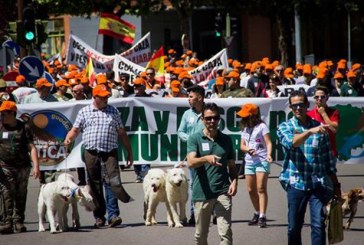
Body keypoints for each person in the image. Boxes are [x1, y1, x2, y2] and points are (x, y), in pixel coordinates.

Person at [64, 84, 134, 228]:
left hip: (110, 152)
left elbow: (121, 132)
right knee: (94, 184)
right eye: (102, 97)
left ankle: (113, 215)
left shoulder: (113, 111)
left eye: (107, 96)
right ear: (95, 97)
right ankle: (99, 216)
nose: (106, 99)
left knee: (113, 182)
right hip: (91, 152)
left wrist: (129, 151)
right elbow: (75, 129)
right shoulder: (84, 111)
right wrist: (69, 138)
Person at [276, 90, 341, 245]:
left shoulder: (320, 128)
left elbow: (327, 160)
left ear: (307, 105)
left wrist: (336, 185)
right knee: (294, 227)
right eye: (294, 106)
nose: (298, 108)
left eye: (301, 105)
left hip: (317, 184)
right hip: (296, 184)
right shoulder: (285, 126)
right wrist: (309, 131)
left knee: (318, 225)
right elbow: (291, 143)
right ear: (290, 108)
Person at [187, 102, 238, 245]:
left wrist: (234, 181)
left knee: (226, 233)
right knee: (200, 236)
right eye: (208, 118)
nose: (212, 121)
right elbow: (190, 162)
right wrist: (206, 159)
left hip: (223, 191)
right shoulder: (195, 138)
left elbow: (232, 166)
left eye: (215, 118)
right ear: (202, 119)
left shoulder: (226, 139)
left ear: (219, 119)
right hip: (202, 193)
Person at [0, 101, 40, 234]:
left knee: (21, 194)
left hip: (23, 166)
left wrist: (36, 166)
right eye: (1, 113)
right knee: (6, 193)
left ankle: (19, 221)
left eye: (5, 113)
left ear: (13, 113)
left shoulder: (24, 127)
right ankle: (7, 222)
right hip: (5, 166)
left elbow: (32, 147)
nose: (2, 116)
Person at [237, 103, 272, 228]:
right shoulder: (245, 128)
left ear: (253, 115)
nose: (243, 118)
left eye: (246, 115)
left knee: (261, 188)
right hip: (249, 161)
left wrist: (269, 154)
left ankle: (262, 215)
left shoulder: (262, 126)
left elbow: (268, 143)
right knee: (251, 190)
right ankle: (257, 212)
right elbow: (242, 145)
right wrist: (247, 149)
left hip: (262, 160)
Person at [177, 84, 206, 225]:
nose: (188, 99)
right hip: (192, 154)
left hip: (208, 154)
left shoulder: (210, 112)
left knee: (209, 182)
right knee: (193, 184)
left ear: (199, 98)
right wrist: (190, 139)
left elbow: (217, 129)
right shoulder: (186, 114)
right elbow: (180, 131)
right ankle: (194, 214)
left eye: (191, 96)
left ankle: (210, 211)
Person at [307, 86, 339, 157]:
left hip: (329, 151)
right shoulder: (309, 114)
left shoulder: (334, 112)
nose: (319, 99)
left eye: (322, 97)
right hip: (313, 152)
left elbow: (334, 129)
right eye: (317, 97)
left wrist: (323, 113)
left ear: (327, 98)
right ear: (314, 98)